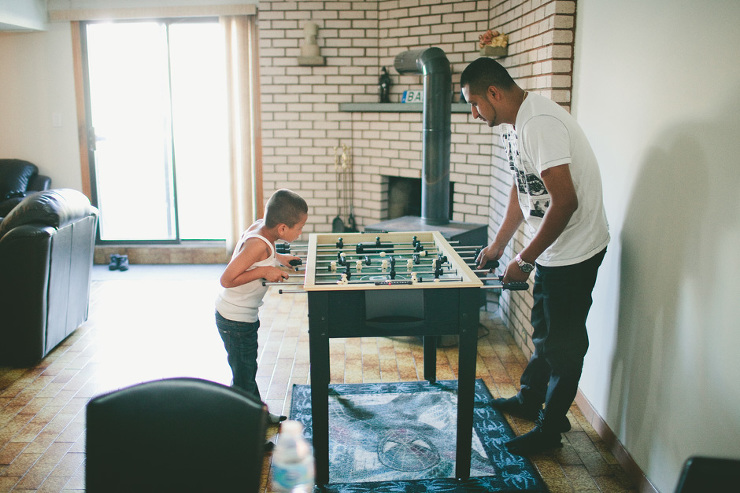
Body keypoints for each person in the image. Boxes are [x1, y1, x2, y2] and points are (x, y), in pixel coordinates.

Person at [460, 57, 610, 455]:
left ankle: (549, 431)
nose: (474, 114)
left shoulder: (539, 124)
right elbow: (521, 190)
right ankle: (530, 400)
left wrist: (524, 259)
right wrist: (498, 246)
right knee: (543, 330)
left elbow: (565, 202)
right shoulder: (515, 126)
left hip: (575, 250)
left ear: (493, 93)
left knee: (563, 344)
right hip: (554, 247)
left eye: (474, 104)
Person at [215, 189, 308, 431]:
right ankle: (246, 434)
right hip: (235, 319)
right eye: (299, 228)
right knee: (243, 378)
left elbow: (263, 252)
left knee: (247, 370)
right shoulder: (258, 244)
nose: (301, 233)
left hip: (240, 316)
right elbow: (226, 279)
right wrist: (264, 272)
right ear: (282, 229)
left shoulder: (262, 229)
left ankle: (259, 414)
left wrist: (280, 258)